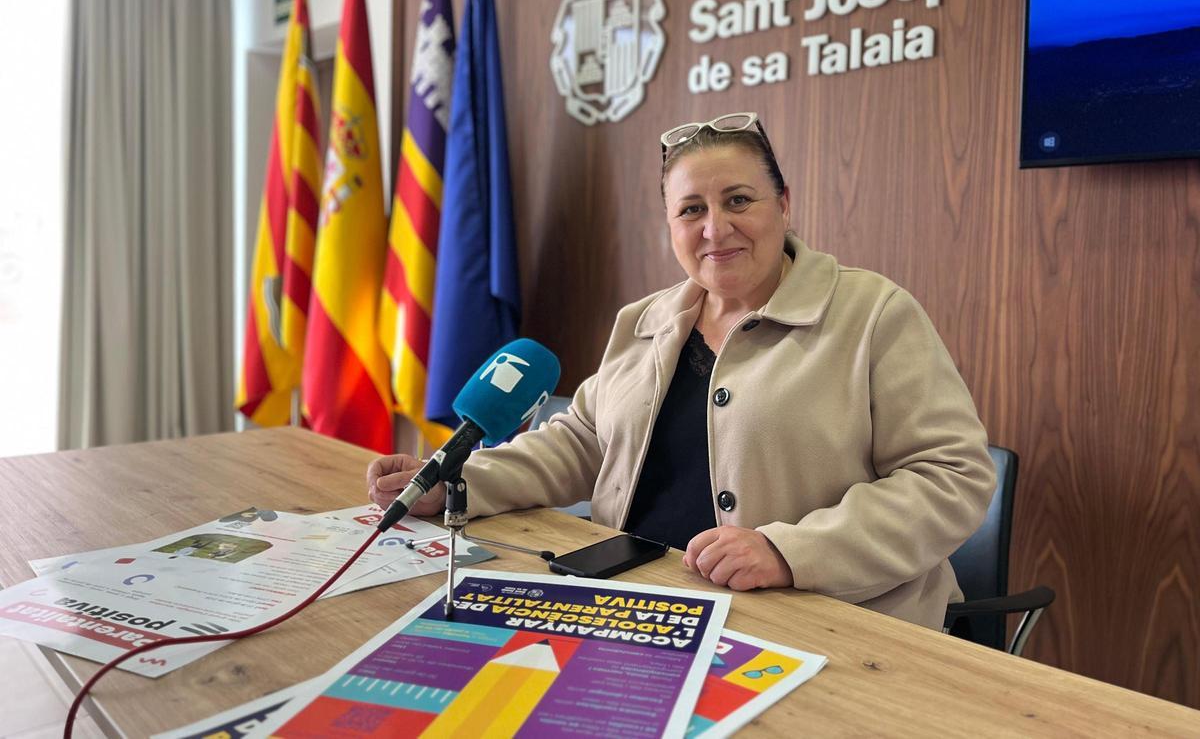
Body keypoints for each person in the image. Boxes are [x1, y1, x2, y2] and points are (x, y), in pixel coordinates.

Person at [367, 113, 995, 630]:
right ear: (670, 225)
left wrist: (790, 551)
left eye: (738, 200)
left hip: (831, 623)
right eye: (691, 209)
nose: (715, 228)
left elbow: (952, 476)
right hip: (638, 605)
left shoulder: (874, 314)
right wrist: (455, 483)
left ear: (784, 203)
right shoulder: (646, 319)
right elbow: (582, 442)